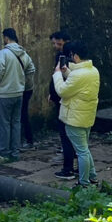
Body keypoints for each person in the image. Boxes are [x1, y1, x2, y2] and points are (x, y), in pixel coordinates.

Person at [54, 40, 100, 187]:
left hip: (74, 118)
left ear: (75, 56)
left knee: (81, 152)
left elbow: (62, 90)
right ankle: (92, 176)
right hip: (86, 116)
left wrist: (57, 75)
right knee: (84, 149)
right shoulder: (93, 71)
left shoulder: (78, 75)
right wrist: (66, 72)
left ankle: (84, 182)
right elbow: (77, 81)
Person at [0, 28, 35, 162]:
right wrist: (25, 85)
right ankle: (15, 153)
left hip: (5, 93)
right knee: (16, 123)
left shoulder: (3, 53)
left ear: (6, 38)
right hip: (19, 93)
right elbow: (31, 69)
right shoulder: (23, 53)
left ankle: (4, 153)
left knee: (4, 124)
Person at [48, 31, 77, 179]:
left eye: (58, 43)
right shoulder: (64, 58)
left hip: (65, 99)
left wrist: (54, 93)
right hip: (69, 99)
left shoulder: (66, 60)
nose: (56, 46)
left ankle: (68, 168)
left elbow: (59, 78)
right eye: (53, 43)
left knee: (66, 135)